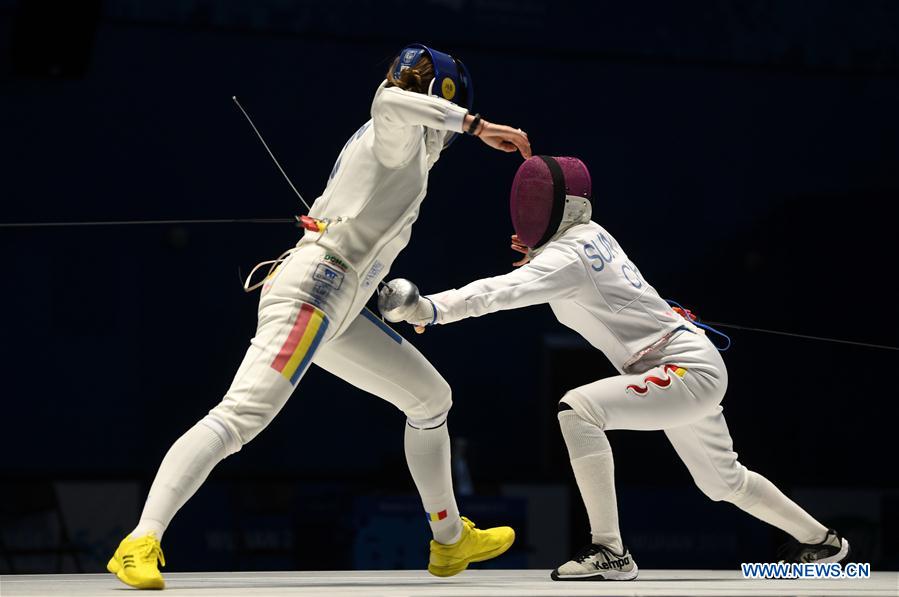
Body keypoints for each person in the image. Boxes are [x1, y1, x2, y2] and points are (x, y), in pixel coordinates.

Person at [107, 43, 531, 589]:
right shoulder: (394, 130)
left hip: (341, 304)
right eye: (448, 118)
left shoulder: (403, 152)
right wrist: (475, 125)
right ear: (439, 102)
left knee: (431, 399)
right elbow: (392, 101)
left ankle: (450, 542)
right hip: (314, 293)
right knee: (240, 417)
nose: (448, 137)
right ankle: (140, 539)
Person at [385, 155, 849, 581]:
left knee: (578, 410)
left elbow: (499, 292)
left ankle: (610, 550)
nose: (526, 211)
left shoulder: (567, 257)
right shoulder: (593, 235)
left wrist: (429, 309)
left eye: (535, 201)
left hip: (683, 366)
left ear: (559, 208)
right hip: (687, 361)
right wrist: (541, 257)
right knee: (722, 481)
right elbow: (564, 277)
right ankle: (824, 543)